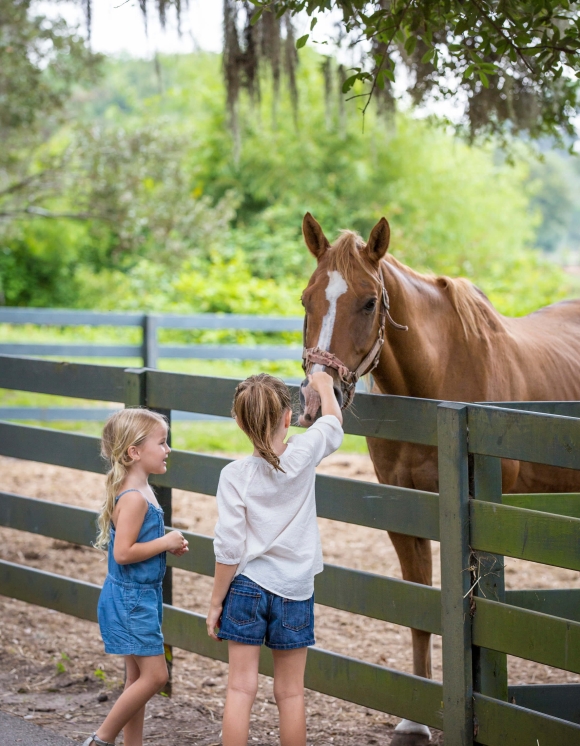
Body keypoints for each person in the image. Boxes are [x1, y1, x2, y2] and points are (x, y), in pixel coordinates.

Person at [206, 371, 343, 746]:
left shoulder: (234, 476)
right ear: (288, 417)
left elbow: (229, 549)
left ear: (238, 421)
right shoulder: (303, 453)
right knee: (291, 693)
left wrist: (216, 602)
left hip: (246, 589)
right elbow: (333, 422)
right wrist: (325, 386)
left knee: (239, 689)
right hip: (295, 590)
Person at [82, 408, 188, 746]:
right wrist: (166, 541)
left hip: (138, 596)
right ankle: (101, 739)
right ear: (134, 452)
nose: (168, 449)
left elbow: (134, 545)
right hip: (131, 599)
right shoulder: (134, 498)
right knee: (156, 677)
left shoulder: (140, 489)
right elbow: (123, 553)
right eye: (162, 442)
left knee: (136, 679)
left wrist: (164, 545)